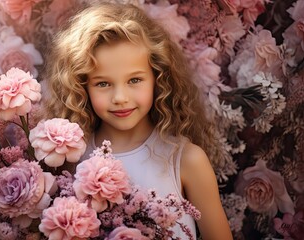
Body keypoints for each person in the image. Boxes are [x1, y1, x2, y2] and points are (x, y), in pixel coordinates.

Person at [41, 2, 233, 240]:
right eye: (103, 83)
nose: (120, 98)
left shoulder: (186, 160)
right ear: (82, 87)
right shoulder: (70, 159)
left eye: (135, 80)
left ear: (158, 78)